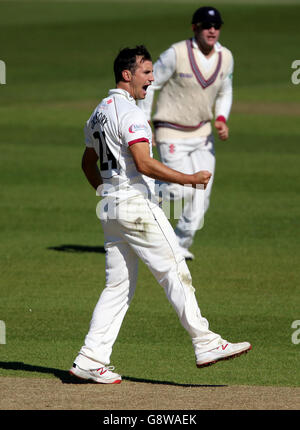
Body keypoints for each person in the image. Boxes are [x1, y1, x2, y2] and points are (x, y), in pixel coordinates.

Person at [69, 45, 251, 384]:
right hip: (136, 205)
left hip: (111, 207)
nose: (152, 80)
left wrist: (105, 192)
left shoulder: (99, 112)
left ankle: (90, 358)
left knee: (118, 286)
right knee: (175, 268)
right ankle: (206, 342)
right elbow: (144, 163)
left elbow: (87, 163)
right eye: (146, 73)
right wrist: (190, 179)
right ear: (127, 75)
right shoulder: (131, 113)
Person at [137, 6, 233, 260]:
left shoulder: (226, 57)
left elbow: (225, 91)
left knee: (203, 190)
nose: (212, 30)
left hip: (202, 133)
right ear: (195, 28)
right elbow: (151, 81)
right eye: (206, 26)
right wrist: (144, 121)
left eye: (216, 26)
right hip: (171, 131)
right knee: (180, 191)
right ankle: (146, 191)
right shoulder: (176, 53)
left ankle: (179, 244)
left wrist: (221, 118)